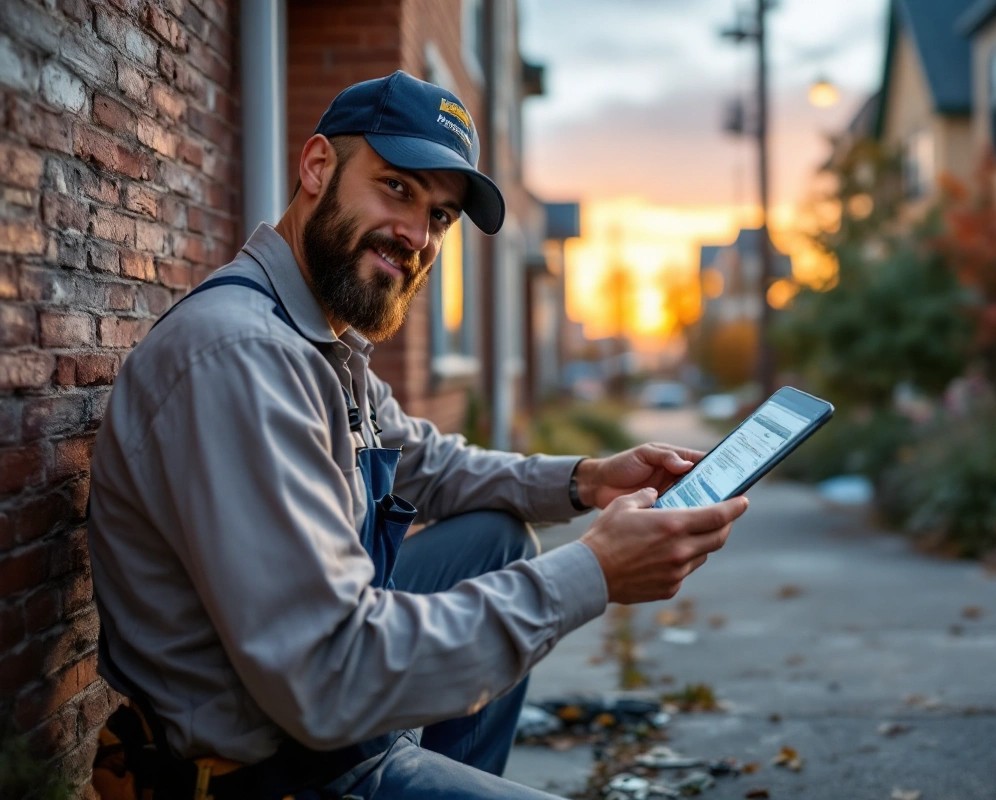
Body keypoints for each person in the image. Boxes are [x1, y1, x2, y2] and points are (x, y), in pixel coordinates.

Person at [86, 70, 748, 800]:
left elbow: (427, 465)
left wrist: (586, 479)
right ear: (317, 167)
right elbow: (331, 674)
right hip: (267, 772)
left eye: (440, 216)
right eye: (396, 187)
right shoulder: (242, 357)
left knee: (494, 538)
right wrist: (594, 572)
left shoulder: (315, 341)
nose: (417, 236)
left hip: (328, 733)